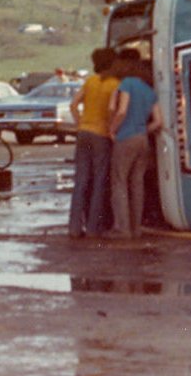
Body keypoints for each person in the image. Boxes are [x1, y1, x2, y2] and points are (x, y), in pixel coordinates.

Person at [107, 49, 162, 239]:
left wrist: (112, 130)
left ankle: (123, 229)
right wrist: (142, 130)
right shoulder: (149, 91)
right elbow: (158, 122)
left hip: (125, 138)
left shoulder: (127, 84)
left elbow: (121, 111)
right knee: (137, 183)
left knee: (119, 181)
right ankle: (136, 228)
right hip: (142, 140)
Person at [68, 48, 118, 239]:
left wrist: (79, 122)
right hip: (102, 134)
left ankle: (74, 227)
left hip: (84, 133)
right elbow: (114, 109)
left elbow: (73, 104)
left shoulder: (90, 81)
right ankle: (93, 227)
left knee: (80, 180)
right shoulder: (115, 84)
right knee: (98, 181)